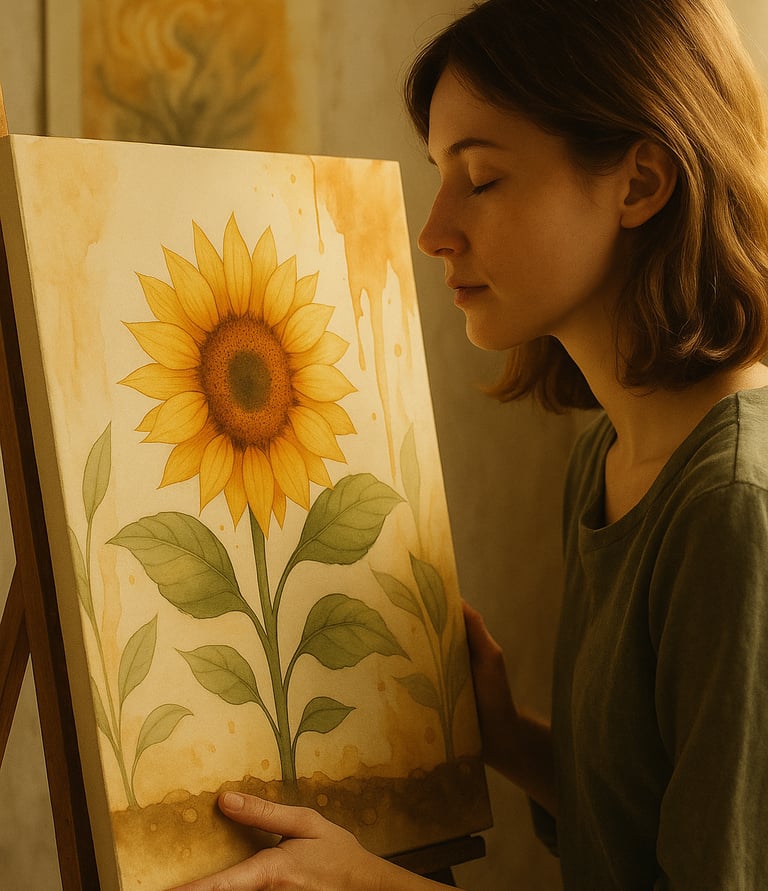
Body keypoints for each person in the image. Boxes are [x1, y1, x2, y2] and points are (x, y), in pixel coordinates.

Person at [173, 0, 768, 888]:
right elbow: (641, 827)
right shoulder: (609, 460)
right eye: (440, 174)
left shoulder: (733, 507)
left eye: (482, 179)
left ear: (641, 184)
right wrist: (505, 738)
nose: (433, 230)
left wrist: (362, 880)